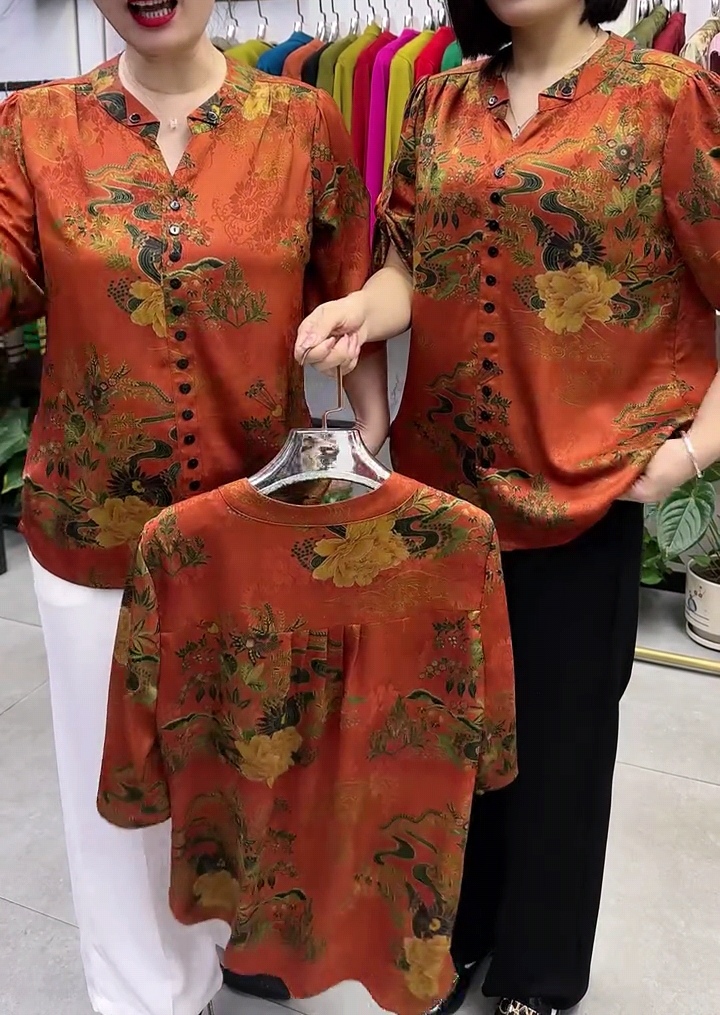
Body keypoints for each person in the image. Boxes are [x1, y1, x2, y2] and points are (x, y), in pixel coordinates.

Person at [295, 0, 720, 1012]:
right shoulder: (438, 102)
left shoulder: (665, 100)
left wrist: (692, 450)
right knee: (448, 739)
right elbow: (408, 268)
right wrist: (361, 310)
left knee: (562, 756)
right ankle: (461, 936)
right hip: (447, 497)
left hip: (583, 492)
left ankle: (536, 977)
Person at [0, 2, 389, 1014]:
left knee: (249, 763)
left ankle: (228, 947)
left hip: (252, 526)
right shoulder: (35, 128)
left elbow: (353, 281)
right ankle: (142, 995)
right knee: (118, 797)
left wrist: (368, 430)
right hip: (93, 533)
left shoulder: (300, 122)